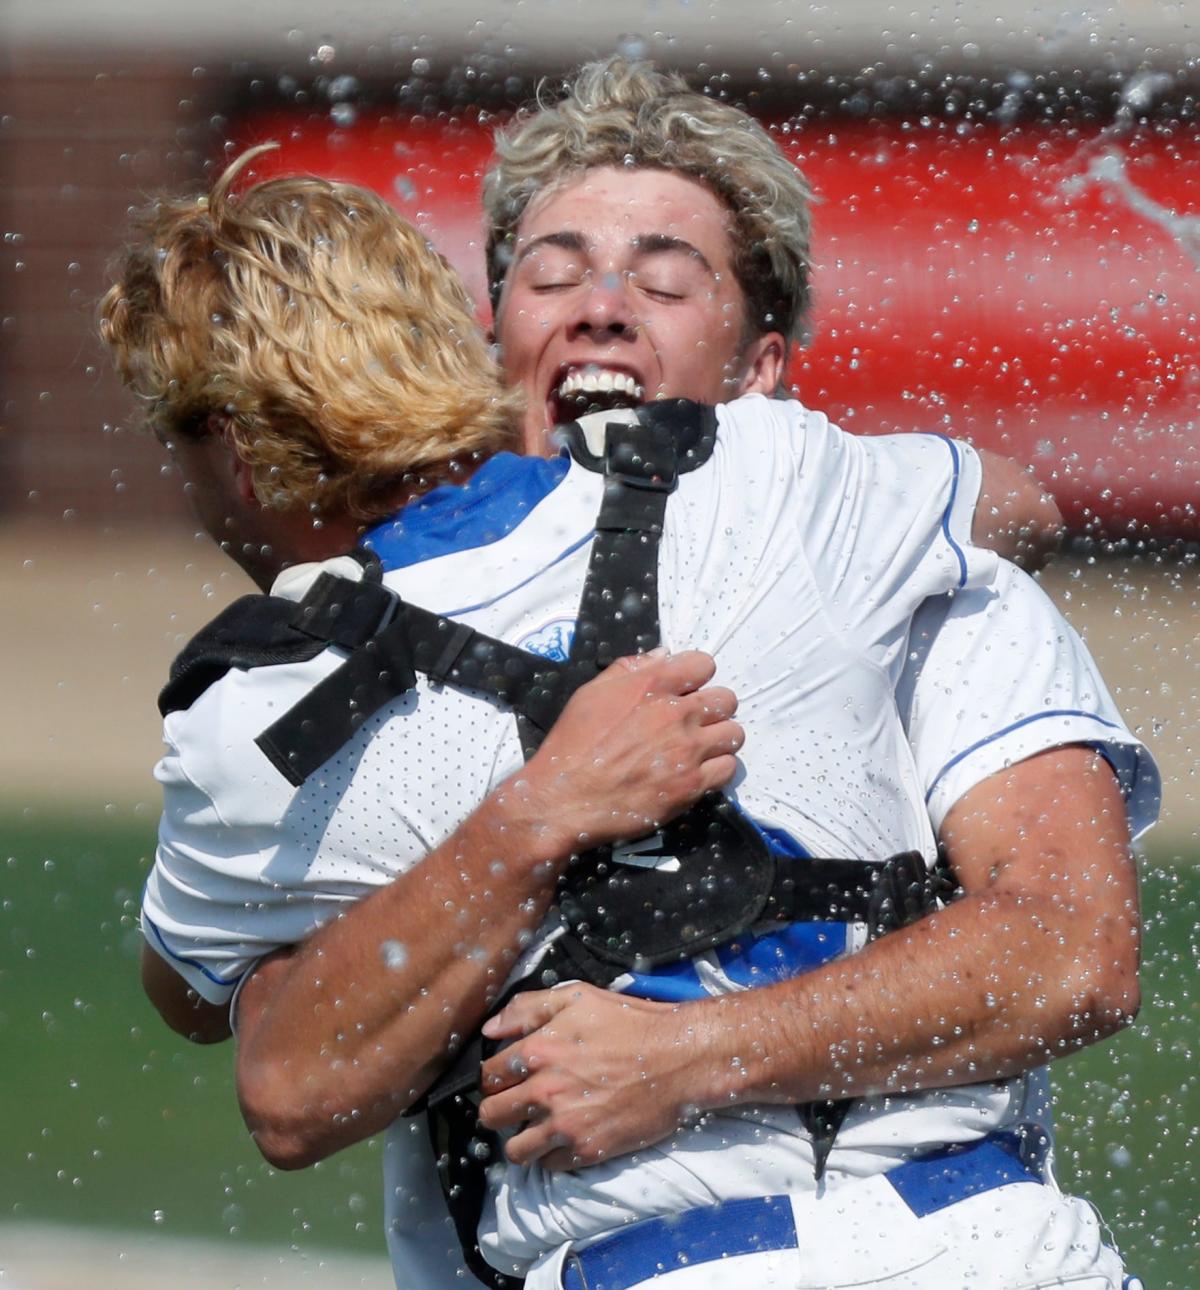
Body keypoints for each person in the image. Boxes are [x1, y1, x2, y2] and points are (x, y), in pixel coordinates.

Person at [100, 133, 1155, 1290]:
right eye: (552, 277)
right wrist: (539, 812)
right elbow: (1014, 500)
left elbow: (1073, 952)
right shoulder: (816, 489)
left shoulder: (260, 703)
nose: (601, 310)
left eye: (660, 281)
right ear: (477, 344)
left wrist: (685, 1055)